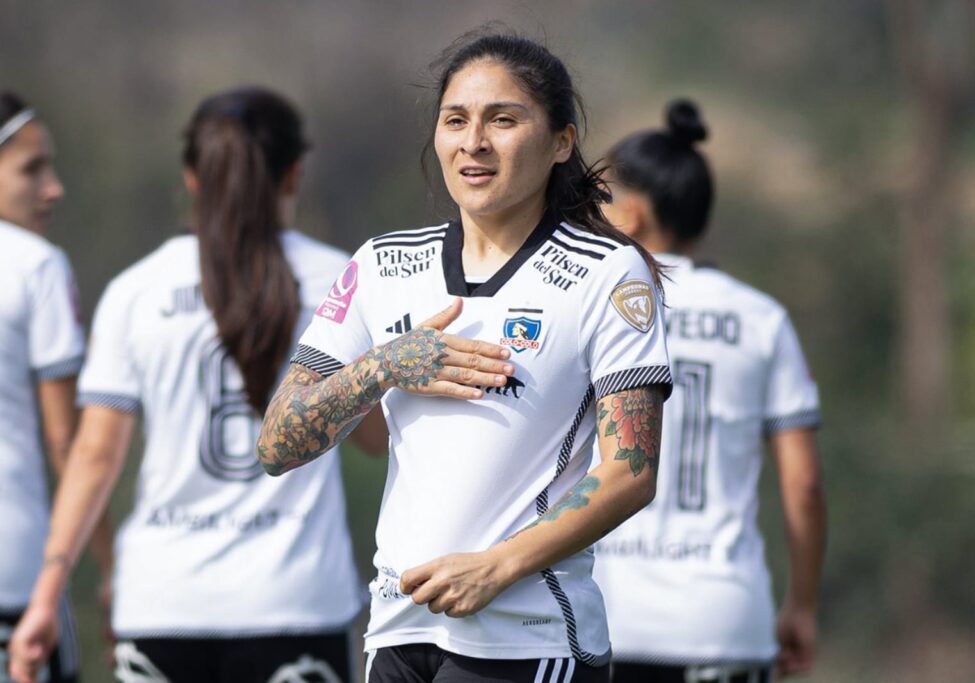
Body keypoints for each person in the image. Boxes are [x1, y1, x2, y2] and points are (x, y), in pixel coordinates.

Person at [257, 31, 673, 683]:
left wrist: (498, 566)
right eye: (456, 120)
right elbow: (278, 441)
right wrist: (386, 365)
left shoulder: (610, 273)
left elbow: (631, 470)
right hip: (396, 630)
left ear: (561, 141)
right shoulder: (381, 264)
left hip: (527, 638)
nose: (473, 141)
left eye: (502, 120)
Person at [8, 87, 387, 683]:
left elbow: (93, 456)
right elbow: (374, 438)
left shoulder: (137, 291)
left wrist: (47, 592)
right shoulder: (343, 279)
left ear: (191, 177)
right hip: (294, 601)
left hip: (162, 605)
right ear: (294, 174)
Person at [591, 100, 827, 682]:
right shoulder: (760, 318)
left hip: (604, 619)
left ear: (634, 215)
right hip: (724, 623)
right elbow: (804, 485)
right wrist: (802, 605)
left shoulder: (596, 310)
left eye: (599, 202)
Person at [0, 91, 112, 683]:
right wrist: (109, 566)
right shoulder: (34, 264)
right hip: (13, 581)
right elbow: (69, 443)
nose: (53, 188)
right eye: (31, 168)